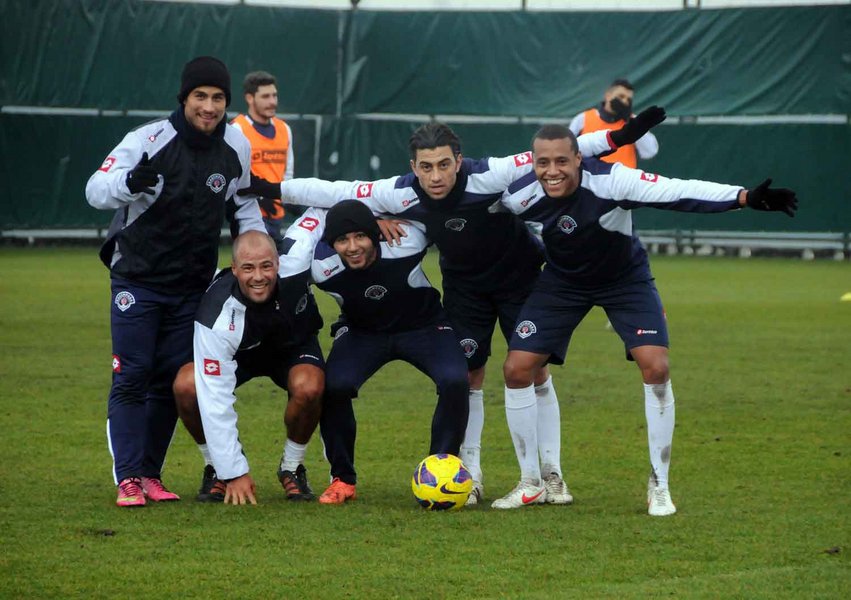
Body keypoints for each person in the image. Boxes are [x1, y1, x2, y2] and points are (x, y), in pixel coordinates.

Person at [240, 110, 665, 507]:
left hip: (518, 281)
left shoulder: (489, 174)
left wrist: (616, 138)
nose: (436, 175)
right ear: (414, 167)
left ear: (458, 161)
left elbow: (553, 153)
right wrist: (268, 188)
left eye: (444, 164)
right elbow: (339, 192)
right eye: (426, 167)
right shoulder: (399, 193)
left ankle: (551, 474)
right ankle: (468, 474)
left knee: (534, 371)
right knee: (470, 373)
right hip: (465, 290)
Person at [498, 124, 797, 514]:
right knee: (517, 369)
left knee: (656, 367)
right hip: (562, 283)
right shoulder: (518, 195)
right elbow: (475, 210)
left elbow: (676, 191)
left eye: (561, 161)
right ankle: (533, 481)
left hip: (624, 280)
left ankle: (659, 484)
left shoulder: (613, 181)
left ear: (579, 159)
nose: (552, 171)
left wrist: (742, 197)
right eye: (543, 163)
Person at [85, 56, 266, 507]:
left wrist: (255, 249)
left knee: (169, 380)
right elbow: (95, 189)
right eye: (200, 96)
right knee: (131, 377)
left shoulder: (236, 144)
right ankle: (128, 477)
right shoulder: (148, 139)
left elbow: (243, 204)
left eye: (218, 98)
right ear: (184, 98)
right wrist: (129, 182)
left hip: (191, 287)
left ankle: (150, 474)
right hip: (138, 281)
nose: (209, 107)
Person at [281, 201, 470, 504]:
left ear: (374, 234)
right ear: (331, 243)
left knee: (455, 380)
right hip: (362, 333)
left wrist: (382, 215)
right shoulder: (319, 266)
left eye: (360, 236)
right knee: (335, 386)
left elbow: (434, 213)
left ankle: (441, 471)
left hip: (424, 327)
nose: (353, 247)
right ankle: (343, 479)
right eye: (343, 240)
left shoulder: (406, 240)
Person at [171, 231, 325, 505]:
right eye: (248, 268)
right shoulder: (216, 315)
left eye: (266, 266)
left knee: (310, 386)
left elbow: (322, 215)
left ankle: (292, 466)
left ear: (278, 263)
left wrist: (382, 215)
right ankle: (215, 466)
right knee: (187, 386)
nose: (258, 276)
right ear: (234, 269)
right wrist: (233, 469)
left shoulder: (297, 261)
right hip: (238, 354)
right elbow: (215, 399)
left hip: (291, 348)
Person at [231, 71, 294, 253]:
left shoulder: (284, 129)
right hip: (248, 214)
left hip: (277, 213)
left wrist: (289, 198)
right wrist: (259, 198)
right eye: (265, 96)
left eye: (274, 95)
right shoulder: (238, 129)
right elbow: (234, 177)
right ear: (249, 98)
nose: (272, 101)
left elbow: (288, 172)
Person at [569, 79, 659, 169]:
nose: (625, 101)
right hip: (591, 175)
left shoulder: (633, 121)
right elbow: (567, 148)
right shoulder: (583, 118)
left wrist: (631, 122)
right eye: (621, 96)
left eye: (628, 99)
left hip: (624, 176)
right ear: (608, 96)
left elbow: (650, 152)